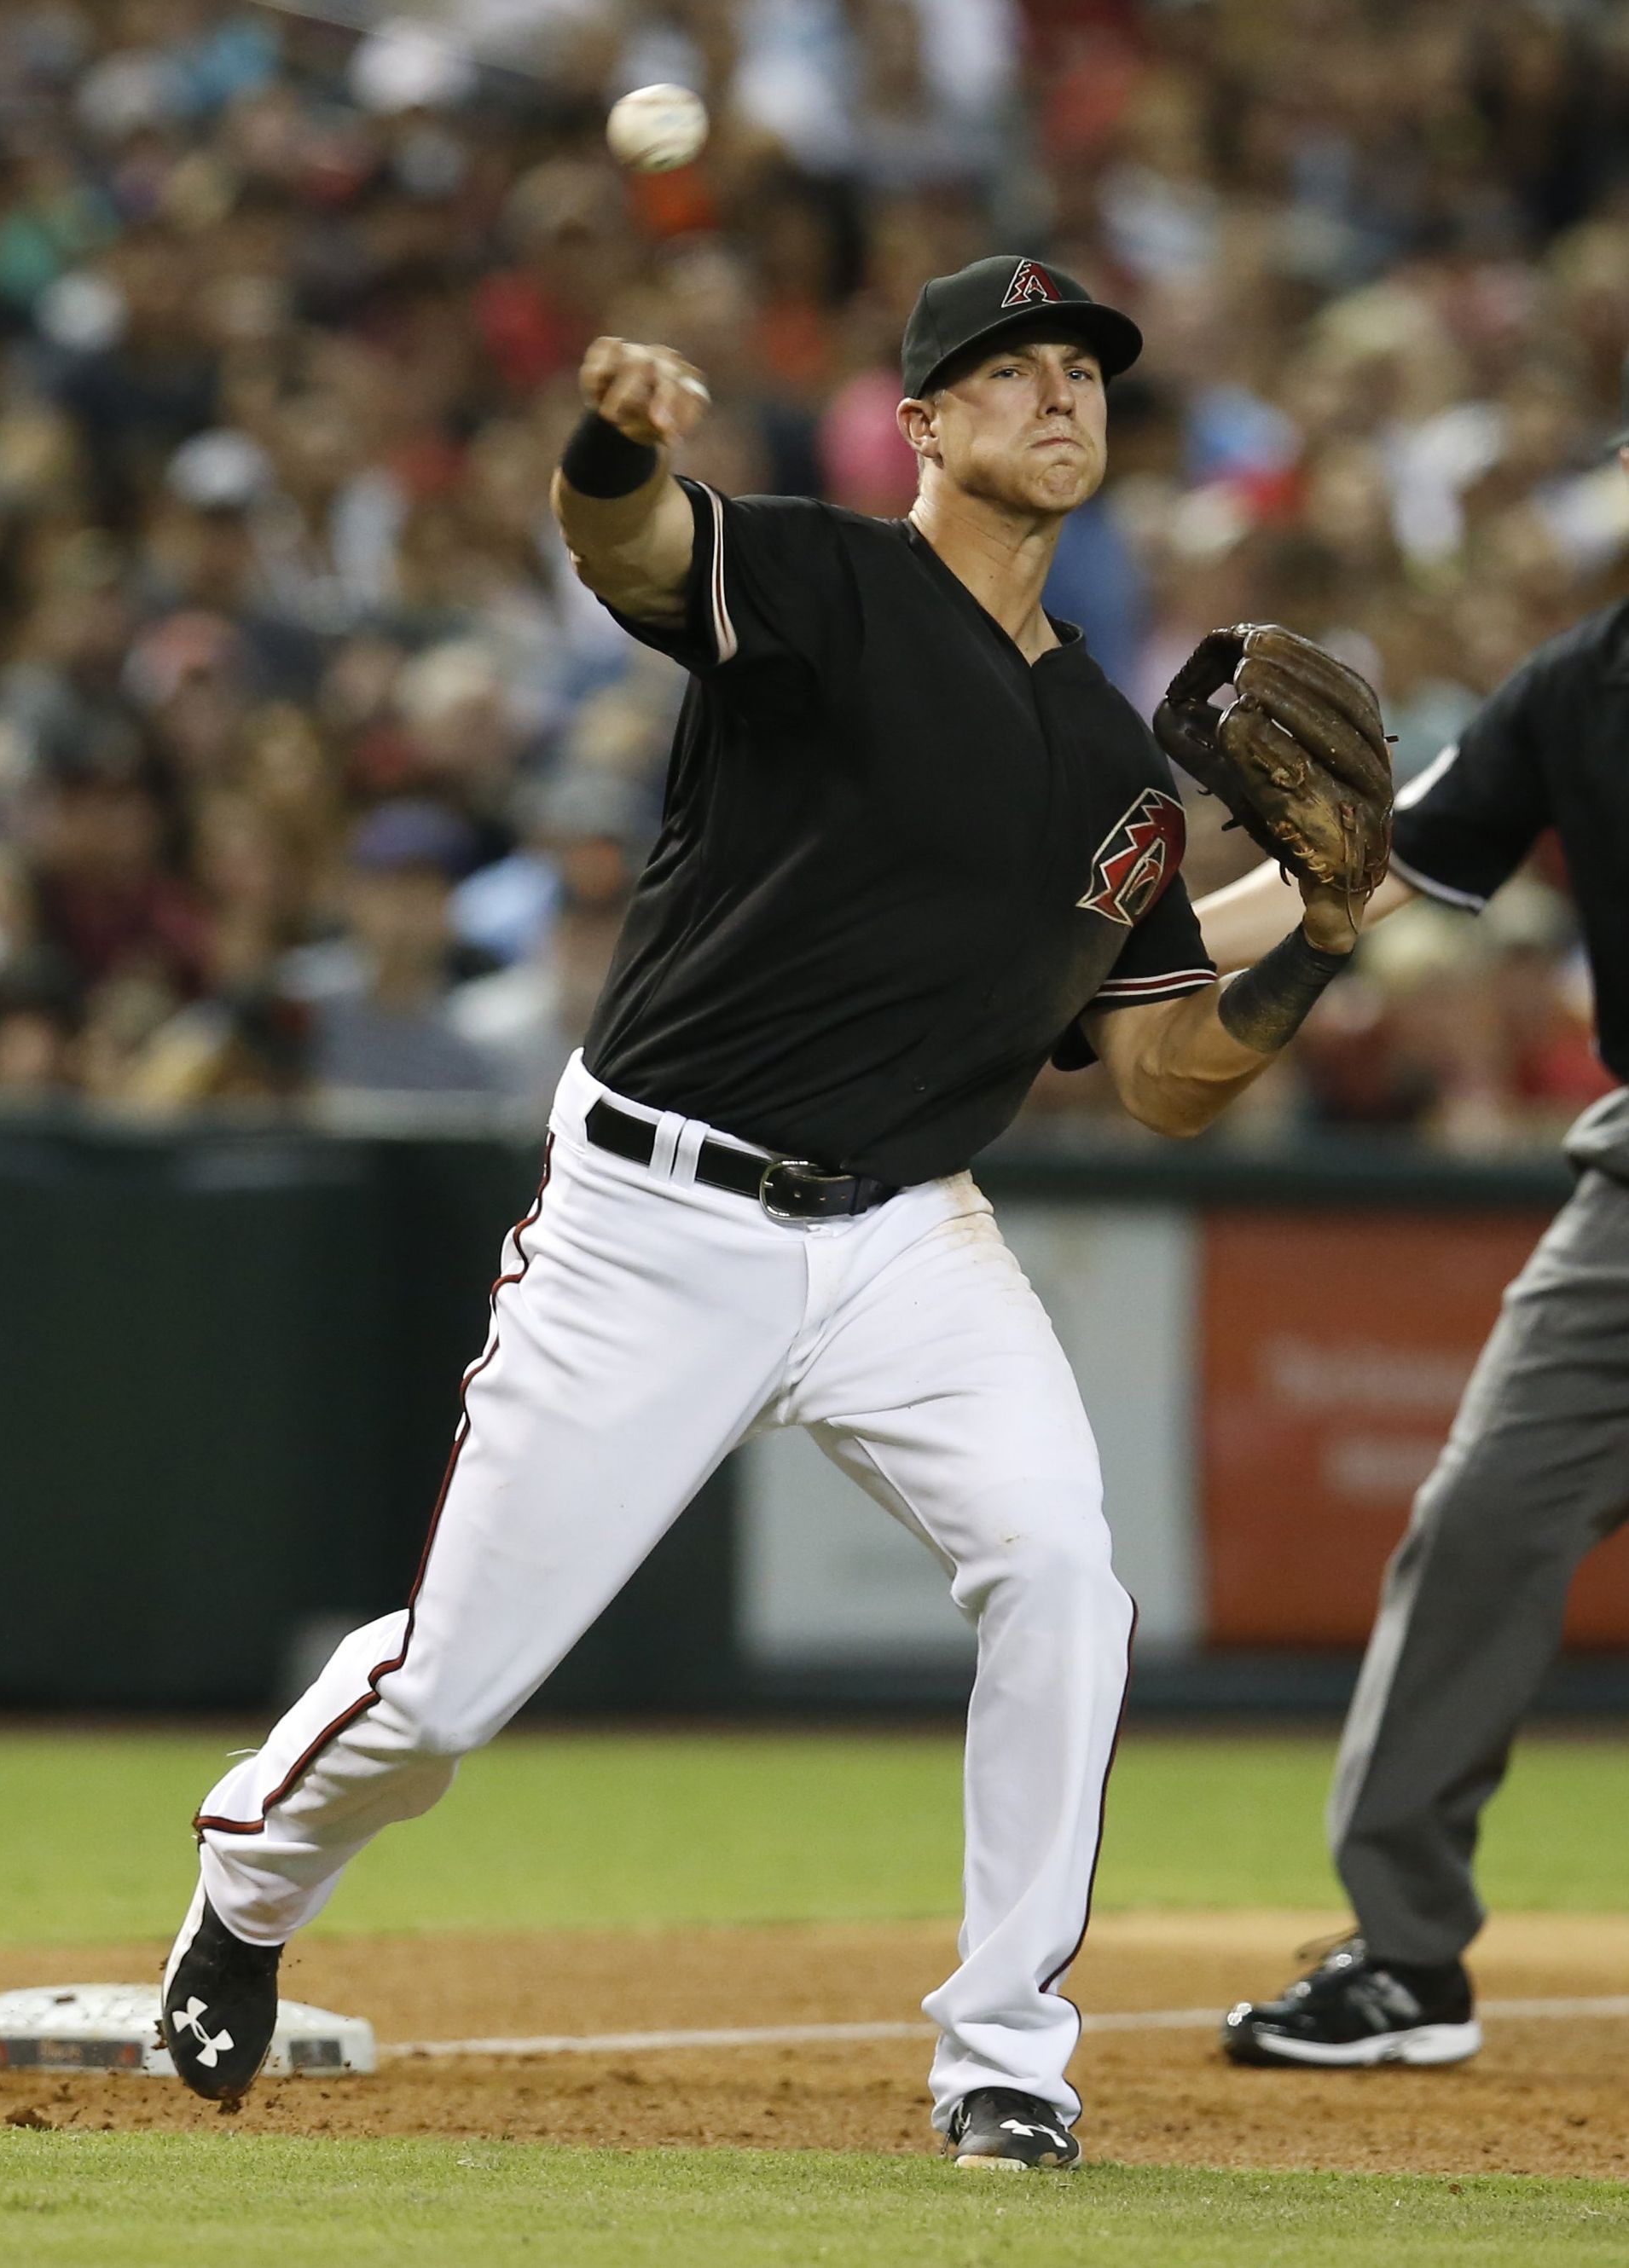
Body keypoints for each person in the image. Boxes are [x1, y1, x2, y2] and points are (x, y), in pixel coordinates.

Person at [159, 255, 1381, 2167]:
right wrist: (607, 441)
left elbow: (1157, 1075)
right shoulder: (826, 582)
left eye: (1085, 371)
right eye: (1010, 370)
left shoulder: (1111, 760)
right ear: (923, 424)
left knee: (1064, 1578)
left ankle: (1005, 2059)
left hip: (909, 1232)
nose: (1059, 396)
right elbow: (630, 551)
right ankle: (247, 1884)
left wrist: (1313, 941)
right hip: (660, 1211)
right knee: (452, 1693)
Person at [1202, 369, 1629, 2072]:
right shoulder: (1583, 686)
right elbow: (1360, 867)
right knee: (1482, 1519)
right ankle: (1406, 1953)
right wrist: (1118, 964)